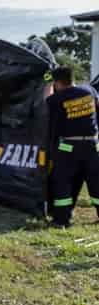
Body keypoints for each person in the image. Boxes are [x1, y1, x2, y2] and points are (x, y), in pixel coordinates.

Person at [46, 66, 99, 227]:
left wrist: (47, 84)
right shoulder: (89, 90)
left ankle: (62, 220)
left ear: (57, 83)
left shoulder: (57, 98)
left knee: (63, 182)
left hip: (68, 146)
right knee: (96, 182)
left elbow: (44, 103)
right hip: (92, 145)